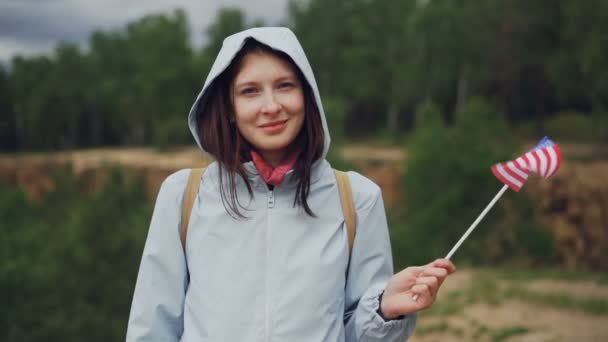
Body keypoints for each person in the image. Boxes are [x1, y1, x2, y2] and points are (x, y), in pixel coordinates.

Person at [126, 27, 455, 342]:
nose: (271, 106)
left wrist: (384, 312)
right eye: (250, 91)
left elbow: (357, 336)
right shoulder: (183, 195)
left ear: (307, 95)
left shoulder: (357, 200)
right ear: (228, 107)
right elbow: (152, 329)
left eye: (285, 86)